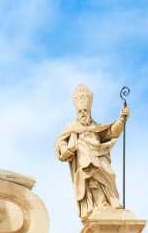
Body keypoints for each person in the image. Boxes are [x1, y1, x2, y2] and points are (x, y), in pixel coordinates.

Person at [55, 84, 128, 219]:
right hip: (84, 160)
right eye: (80, 111)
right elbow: (60, 142)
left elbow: (112, 132)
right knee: (89, 173)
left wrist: (122, 119)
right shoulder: (71, 127)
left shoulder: (96, 127)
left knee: (109, 175)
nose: (83, 113)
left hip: (100, 156)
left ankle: (111, 199)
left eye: (85, 111)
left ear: (89, 111)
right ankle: (101, 204)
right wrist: (65, 149)